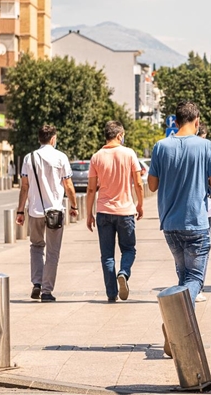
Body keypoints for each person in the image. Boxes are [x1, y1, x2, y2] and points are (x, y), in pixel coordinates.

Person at [148, 101, 211, 354]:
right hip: (196, 223)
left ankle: (175, 338)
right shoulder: (205, 146)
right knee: (195, 279)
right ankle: (173, 327)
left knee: (184, 277)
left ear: (174, 122)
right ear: (197, 120)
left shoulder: (161, 146)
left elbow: (151, 185)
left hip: (170, 224)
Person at [15, 125, 78, 302]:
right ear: (53, 139)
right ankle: (46, 291)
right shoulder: (61, 157)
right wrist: (74, 206)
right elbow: (69, 186)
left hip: (35, 211)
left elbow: (24, 187)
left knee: (36, 247)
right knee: (52, 252)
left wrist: (20, 210)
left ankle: (36, 282)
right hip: (55, 212)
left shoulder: (29, 158)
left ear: (39, 139)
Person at [86, 121, 143, 303]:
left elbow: (90, 189)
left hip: (103, 211)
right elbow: (139, 183)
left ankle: (111, 293)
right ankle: (124, 272)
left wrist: (89, 213)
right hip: (125, 211)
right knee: (129, 249)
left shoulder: (96, 157)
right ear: (119, 135)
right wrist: (140, 204)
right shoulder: (129, 154)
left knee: (107, 255)